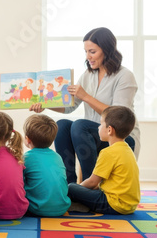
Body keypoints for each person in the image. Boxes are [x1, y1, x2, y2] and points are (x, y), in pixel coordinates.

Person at [30, 27, 140, 184]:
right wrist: (46, 105)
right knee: (62, 125)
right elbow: (69, 107)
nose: (88, 56)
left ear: (107, 50)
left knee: (79, 125)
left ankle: (89, 186)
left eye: (92, 51)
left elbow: (120, 116)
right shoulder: (88, 75)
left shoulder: (125, 76)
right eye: (86, 51)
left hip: (120, 136)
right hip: (93, 134)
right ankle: (69, 184)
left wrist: (86, 97)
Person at [67, 106, 140, 214]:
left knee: (71, 187)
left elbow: (92, 182)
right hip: (130, 206)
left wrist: (76, 190)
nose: (98, 127)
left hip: (113, 204)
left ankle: (79, 204)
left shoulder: (108, 153)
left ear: (110, 130)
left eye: (101, 124)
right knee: (91, 189)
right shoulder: (128, 150)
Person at [23, 114, 71, 216]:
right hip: (62, 208)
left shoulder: (25, 158)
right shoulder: (57, 156)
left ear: (27, 139)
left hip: (36, 209)